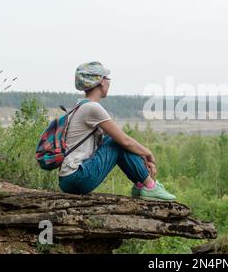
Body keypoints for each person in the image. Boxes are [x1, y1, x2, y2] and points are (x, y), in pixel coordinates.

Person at [58, 61, 176, 201]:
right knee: (115, 142)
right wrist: (148, 154)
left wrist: (141, 157)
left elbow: (123, 143)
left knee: (113, 141)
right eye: (107, 78)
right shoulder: (92, 108)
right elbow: (124, 141)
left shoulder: (79, 107)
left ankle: (141, 185)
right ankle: (149, 186)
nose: (109, 82)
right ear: (101, 81)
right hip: (78, 177)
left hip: (67, 180)